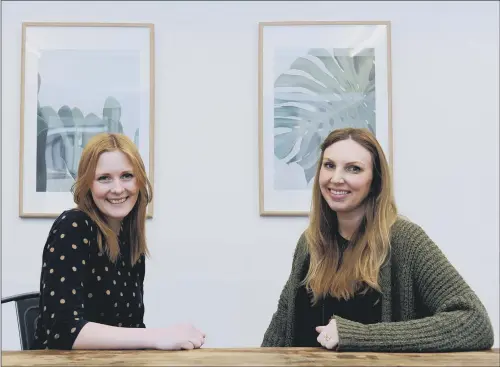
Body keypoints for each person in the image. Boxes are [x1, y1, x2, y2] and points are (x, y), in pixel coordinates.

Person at [261, 128, 494, 352]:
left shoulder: (405, 240)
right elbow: (280, 333)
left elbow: (475, 322)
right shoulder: (310, 241)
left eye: (353, 169)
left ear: (375, 181)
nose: (336, 178)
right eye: (329, 165)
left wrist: (358, 336)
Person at [34, 133, 205, 350]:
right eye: (104, 178)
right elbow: (64, 332)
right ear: (88, 185)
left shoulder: (129, 240)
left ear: (139, 181)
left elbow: (131, 326)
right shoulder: (73, 226)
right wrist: (159, 336)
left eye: (126, 176)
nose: (117, 188)